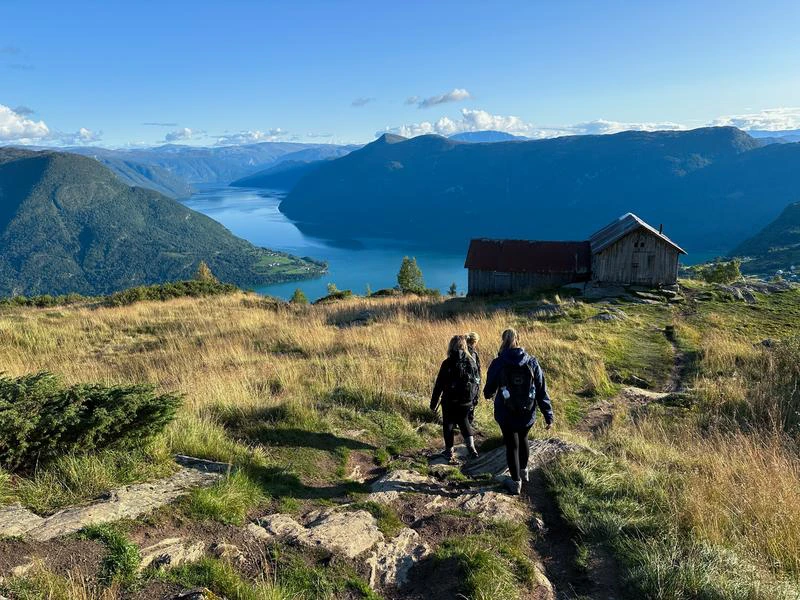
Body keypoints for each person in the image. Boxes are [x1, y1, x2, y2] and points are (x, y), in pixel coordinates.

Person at [483, 328, 554, 495]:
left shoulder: (499, 362)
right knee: (523, 439)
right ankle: (524, 471)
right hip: (527, 413)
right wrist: (548, 415)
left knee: (511, 445)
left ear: (503, 341)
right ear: (519, 340)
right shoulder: (532, 362)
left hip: (505, 412)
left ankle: (515, 482)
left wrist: (490, 394)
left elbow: (488, 391)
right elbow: (542, 390)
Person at [431, 335, 480, 461]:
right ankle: (472, 449)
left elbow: (439, 384)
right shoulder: (471, 362)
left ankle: (449, 451)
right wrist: (475, 399)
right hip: (466, 401)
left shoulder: (447, 363)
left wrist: (433, 403)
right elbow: (477, 382)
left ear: (451, 346)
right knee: (464, 422)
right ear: (464, 346)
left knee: (448, 424)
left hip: (449, 401)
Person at [465, 332, 482, 424]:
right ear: (475, 342)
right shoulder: (473, 353)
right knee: (471, 406)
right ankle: (469, 426)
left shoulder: (459, 350)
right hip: (471, 384)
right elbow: (476, 371)